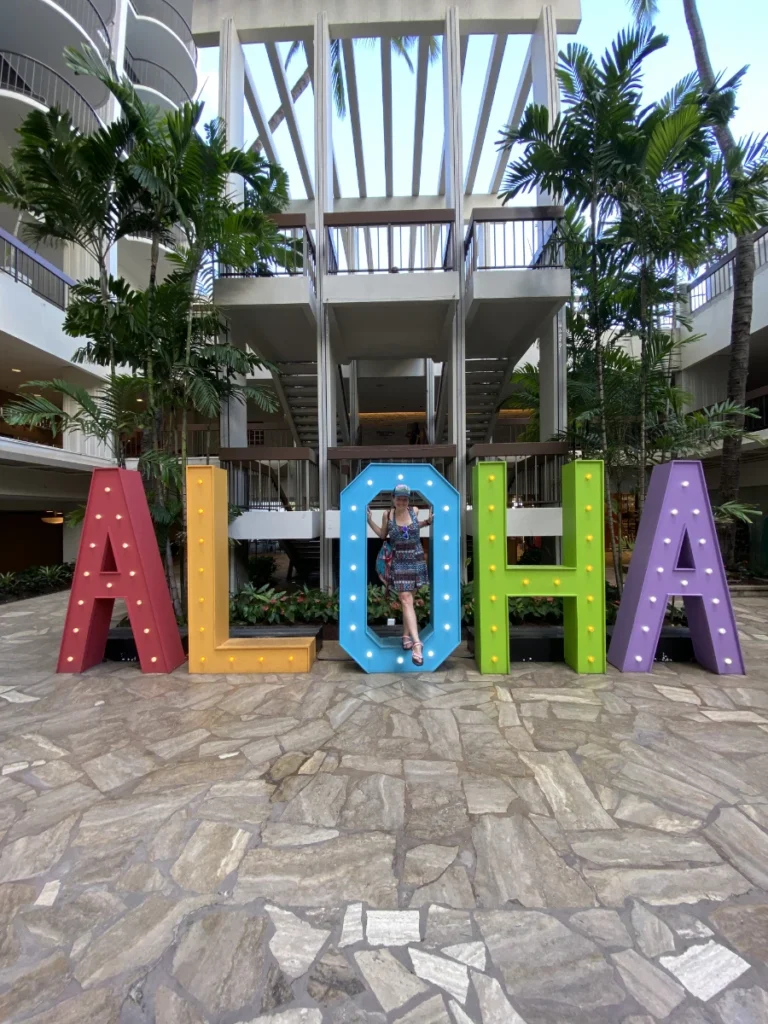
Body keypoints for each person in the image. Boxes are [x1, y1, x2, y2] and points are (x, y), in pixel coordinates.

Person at [367, 483, 433, 666]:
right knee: (405, 598)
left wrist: (426, 523)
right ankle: (417, 644)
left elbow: (413, 528)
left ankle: (405, 636)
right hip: (399, 560)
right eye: (399, 497)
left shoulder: (415, 510)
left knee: (409, 600)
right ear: (393, 499)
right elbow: (382, 535)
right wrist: (369, 521)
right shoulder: (388, 515)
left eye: (405, 497)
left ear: (408, 499)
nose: (402, 500)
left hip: (416, 558)